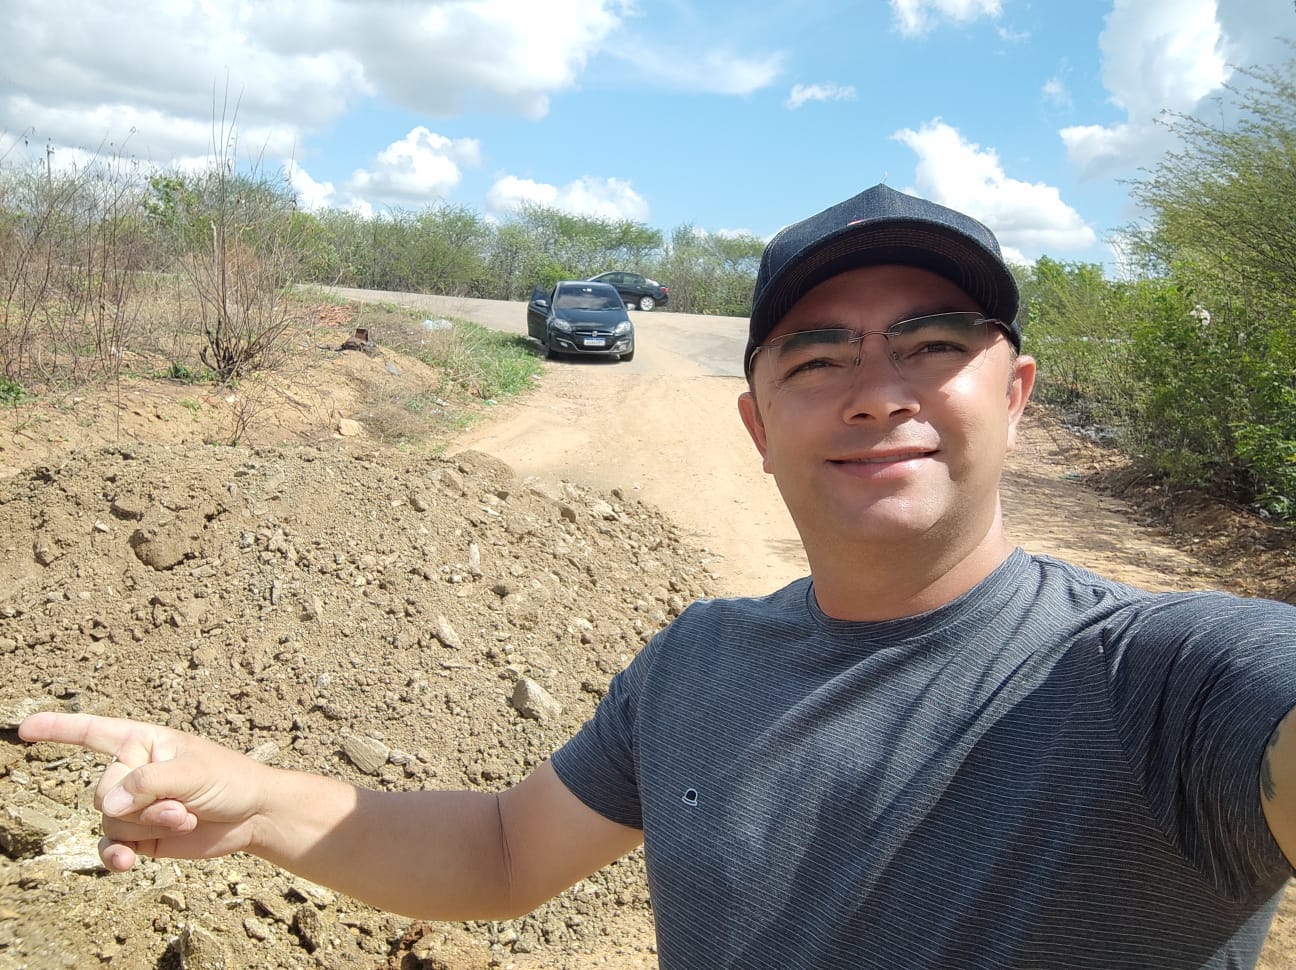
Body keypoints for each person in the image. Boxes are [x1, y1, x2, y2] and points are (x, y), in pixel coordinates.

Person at [20, 183, 1296, 969]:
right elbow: (507, 847)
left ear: (1014, 397)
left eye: (933, 343)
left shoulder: (1168, 678)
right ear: (756, 425)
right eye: (818, 358)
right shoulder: (700, 660)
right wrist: (253, 804)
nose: (878, 391)